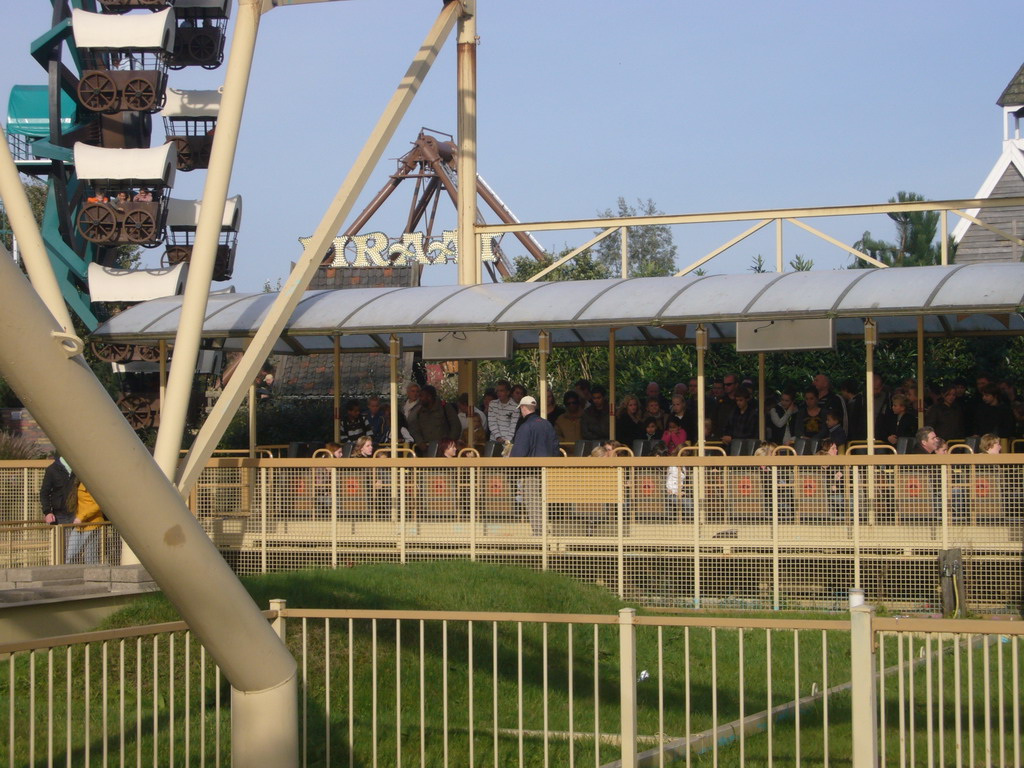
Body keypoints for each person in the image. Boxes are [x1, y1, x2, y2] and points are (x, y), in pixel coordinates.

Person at [509, 395, 559, 535]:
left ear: (523, 409)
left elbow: (519, 451)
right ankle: (546, 530)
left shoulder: (525, 427)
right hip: (548, 470)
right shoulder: (547, 424)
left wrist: (511, 466)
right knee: (545, 502)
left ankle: (539, 533)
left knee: (533, 502)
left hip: (531, 472)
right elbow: (555, 447)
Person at [66, 483, 105, 564]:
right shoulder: (78, 483)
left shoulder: (91, 484)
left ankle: (93, 575)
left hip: (92, 524)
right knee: (70, 555)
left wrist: (81, 516)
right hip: (79, 525)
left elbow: (98, 504)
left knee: (90, 556)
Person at [40, 454, 76, 528]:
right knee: (61, 539)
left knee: (75, 539)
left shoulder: (78, 468)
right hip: (59, 514)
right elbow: (44, 493)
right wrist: (47, 512)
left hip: (77, 513)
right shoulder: (52, 470)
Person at [487, 380, 519, 445]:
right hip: (494, 440)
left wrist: (507, 441)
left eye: (501, 391)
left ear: (508, 392)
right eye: (497, 391)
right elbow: (492, 423)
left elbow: (513, 426)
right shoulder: (492, 404)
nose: (498, 393)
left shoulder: (515, 407)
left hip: (509, 442)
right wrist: (498, 437)